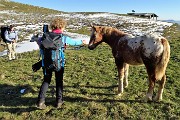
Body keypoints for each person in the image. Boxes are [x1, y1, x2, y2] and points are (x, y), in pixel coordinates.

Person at [32, 17, 86, 109]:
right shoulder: (63, 37)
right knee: (59, 82)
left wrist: (36, 39)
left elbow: (39, 43)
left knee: (46, 81)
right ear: (61, 27)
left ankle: (40, 102)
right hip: (59, 63)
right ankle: (59, 102)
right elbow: (74, 42)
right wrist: (82, 42)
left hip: (46, 63)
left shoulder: (45, 36)